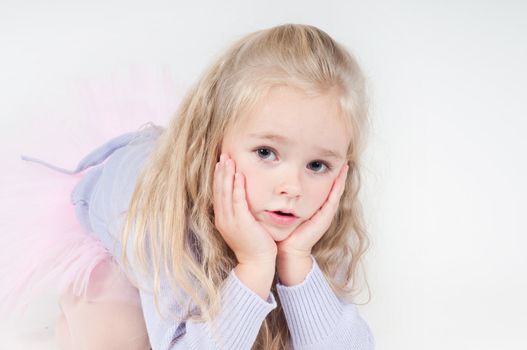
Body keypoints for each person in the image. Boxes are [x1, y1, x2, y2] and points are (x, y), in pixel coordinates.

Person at [1, 23, 374, 349]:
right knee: (113, 333)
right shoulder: (160, 218)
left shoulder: (312, 218)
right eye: (265, 152)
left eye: (317, 165)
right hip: (126, 228)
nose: (292, 186)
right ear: (213, 145)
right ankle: (71, 319)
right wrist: (256, 264)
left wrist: (297, 263)